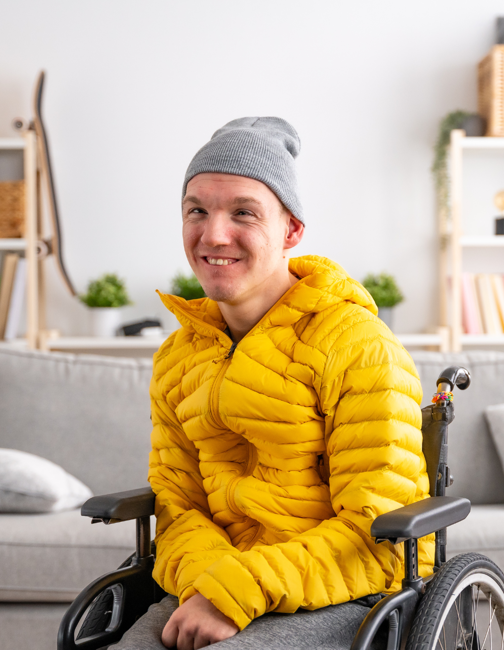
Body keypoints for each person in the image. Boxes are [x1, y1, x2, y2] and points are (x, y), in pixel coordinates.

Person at [111, 117, 433, 650]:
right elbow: (179, 507)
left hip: (338, 589)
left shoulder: (358, 346)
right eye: (197, 210)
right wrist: (214, 586)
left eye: (244, 212)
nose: (214, 234)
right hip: (212, 583)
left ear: (291, 231)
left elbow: (378, 532)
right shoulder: (177, 357)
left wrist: (238, 590)